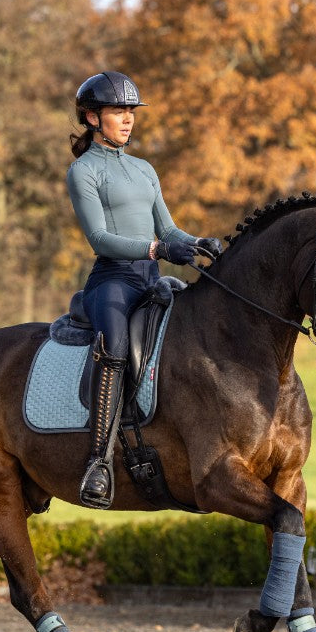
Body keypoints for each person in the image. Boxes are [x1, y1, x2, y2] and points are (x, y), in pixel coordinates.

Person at [67, 71, 222, 509]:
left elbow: (169, 227)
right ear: (93, 117)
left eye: (131, 111)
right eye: (119, 111)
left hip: (151, 279)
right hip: (112, 281)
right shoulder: (84, 171)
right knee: (114, 345)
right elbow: (99, 238)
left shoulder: (144, 169)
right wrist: (158, 247)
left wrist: (198, 244)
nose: (128, 119)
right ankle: (98, 461)